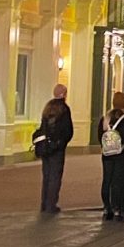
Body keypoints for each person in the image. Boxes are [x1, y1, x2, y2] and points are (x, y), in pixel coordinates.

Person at [98, 91, 124, 222]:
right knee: (118, 181)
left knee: (107, 180)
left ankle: (107, 208)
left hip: (107, 155)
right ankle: (117, 208)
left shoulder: (105, 118)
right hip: (122, 156)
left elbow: (100, 136)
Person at [33, 84, 74, 214]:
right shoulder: (64, 108)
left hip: (45, 147)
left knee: (46, 175)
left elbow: (43, 127)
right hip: (57, 148)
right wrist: (61, 142)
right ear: (63, 94)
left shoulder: (48, 107)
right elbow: (68, 130)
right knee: (55, 177)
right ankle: (52, 204)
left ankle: (44, 203)